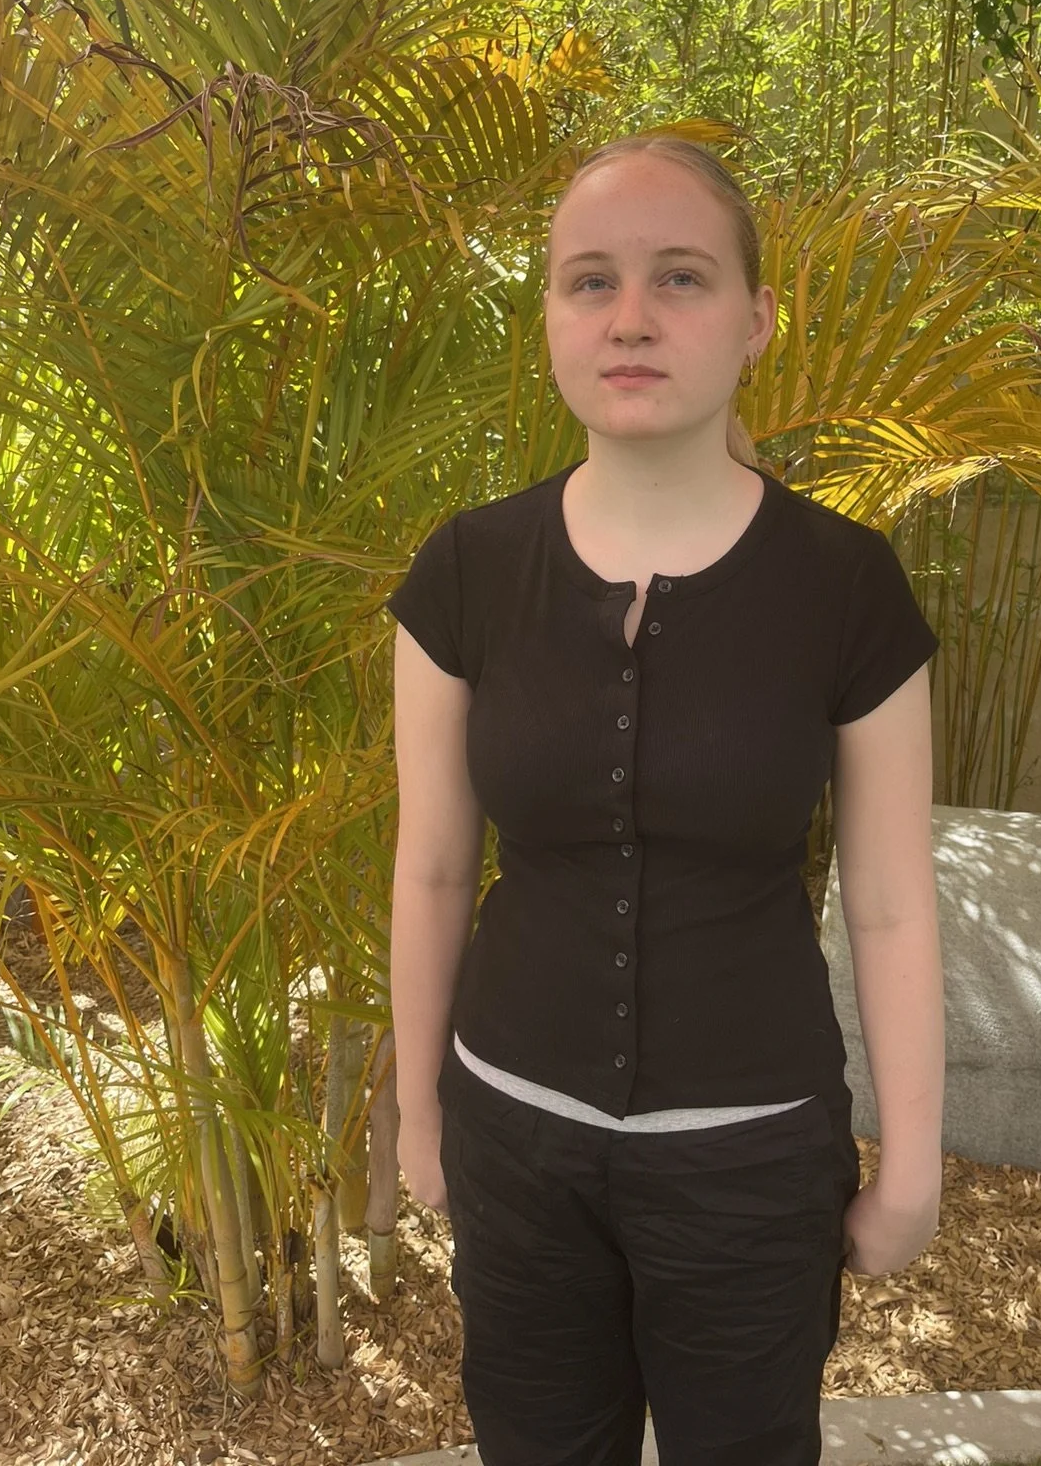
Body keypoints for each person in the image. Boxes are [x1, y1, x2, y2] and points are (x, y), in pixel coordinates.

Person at [385, 134, 946, 1466]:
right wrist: (420, 1119)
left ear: (756, 322)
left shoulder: (846, 587)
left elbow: (887, 900)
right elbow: (430, 870)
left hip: (752, 1174)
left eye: (680, 278)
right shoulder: (466, 573)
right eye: (589, 282)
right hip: (513, 1147)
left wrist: (913, 1159)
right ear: (550, 323)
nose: (630, 316)